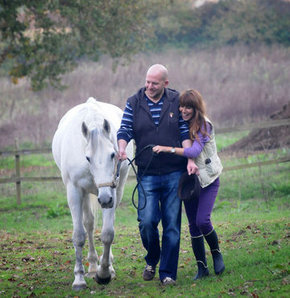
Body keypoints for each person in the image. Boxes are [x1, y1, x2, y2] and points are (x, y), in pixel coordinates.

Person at [117, 64, 195, 285]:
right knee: (147, 222)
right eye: (147, 81)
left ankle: (168, 273)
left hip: (174, 172)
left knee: (172, 226)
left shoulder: (176, 100)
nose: (149, 86)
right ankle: (152, 257)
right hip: (147, 173)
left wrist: (190, 157)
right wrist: (122, 148)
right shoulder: (134, 102)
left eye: (154, 83)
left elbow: (183, 132)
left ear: (165, 84)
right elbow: (124, 130)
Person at [153, 89, 225, 280]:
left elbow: (193, 151)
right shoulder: (180, 124)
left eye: (189, 107)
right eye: (182, 106)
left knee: (203, 221)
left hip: (208, 179)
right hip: (189, 181)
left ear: (196, 108)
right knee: (193, 225)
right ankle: (202, 267)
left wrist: (167, 149)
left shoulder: (204, 125)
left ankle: (216, 253)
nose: (184, 110)